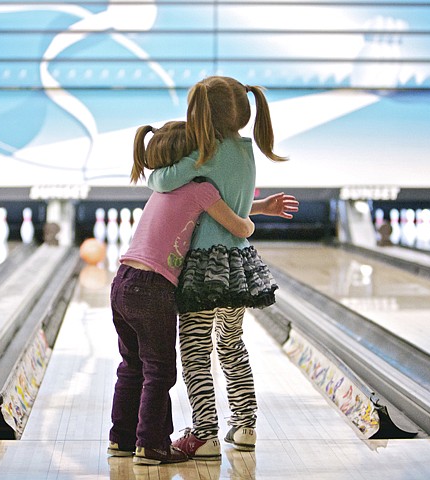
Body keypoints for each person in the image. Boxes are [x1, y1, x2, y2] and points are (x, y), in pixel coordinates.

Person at [145, 76, 298, 460]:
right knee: (231, 344)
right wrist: (261, 209)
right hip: (239, 264)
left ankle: (205, 432)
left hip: (202, 268)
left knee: (195, 348)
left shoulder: (203, 152)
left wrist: (152, 170)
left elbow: (160, 181)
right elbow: (234, 208)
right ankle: (245, 425)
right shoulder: (246, 151)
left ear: (199, 116)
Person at [108, 120, 256, 466]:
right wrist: (250, 222)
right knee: (160, 371)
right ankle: (151, 445)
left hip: (123, 281)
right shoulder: (200, 188)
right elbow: (237, 224)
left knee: (130, 365)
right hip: (154, 288)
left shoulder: (161, 188)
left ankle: (121, 439)